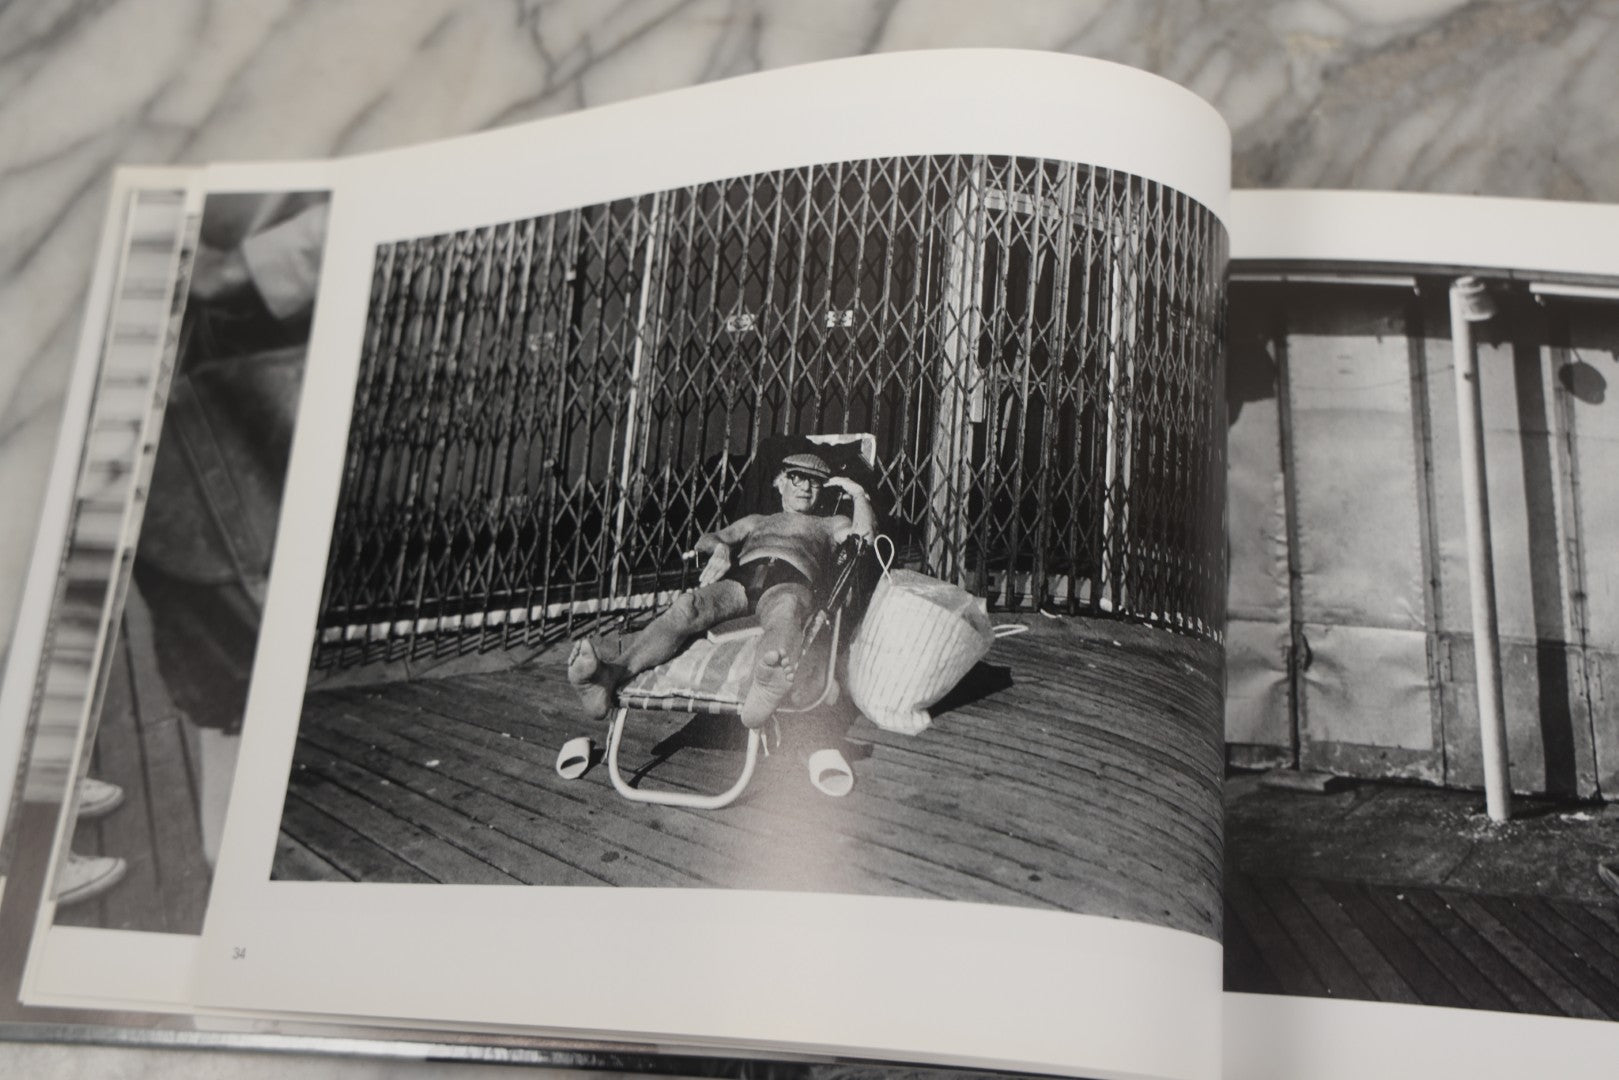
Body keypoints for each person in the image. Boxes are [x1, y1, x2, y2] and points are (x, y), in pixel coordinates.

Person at [569, 450, 875, 729]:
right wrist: (721, 551)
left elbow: (865, 538)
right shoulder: (757, 521)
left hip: (790, 580)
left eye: (815, 482)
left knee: (786, 611)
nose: (805, 487)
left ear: (823, 490)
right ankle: (611, 676)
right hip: (741, 581)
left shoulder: (829, 522)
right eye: (797, 478)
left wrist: (859, 495)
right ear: (781, 483)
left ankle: (765, 685)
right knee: (688, 606)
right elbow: (708, 538)